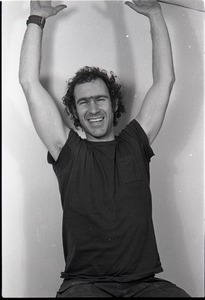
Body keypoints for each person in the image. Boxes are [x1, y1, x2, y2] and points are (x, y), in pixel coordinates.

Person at [19, 0, 191, 297]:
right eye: (83, 101)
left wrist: (155, 14)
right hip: (84, 285)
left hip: (144, 285)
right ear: (74, 111)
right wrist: (36, 18)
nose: (93, 107)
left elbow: (165, 80)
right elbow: (29, 82)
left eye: (100, 98)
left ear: (113, 104)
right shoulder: (67, 150)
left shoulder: (136, 143)